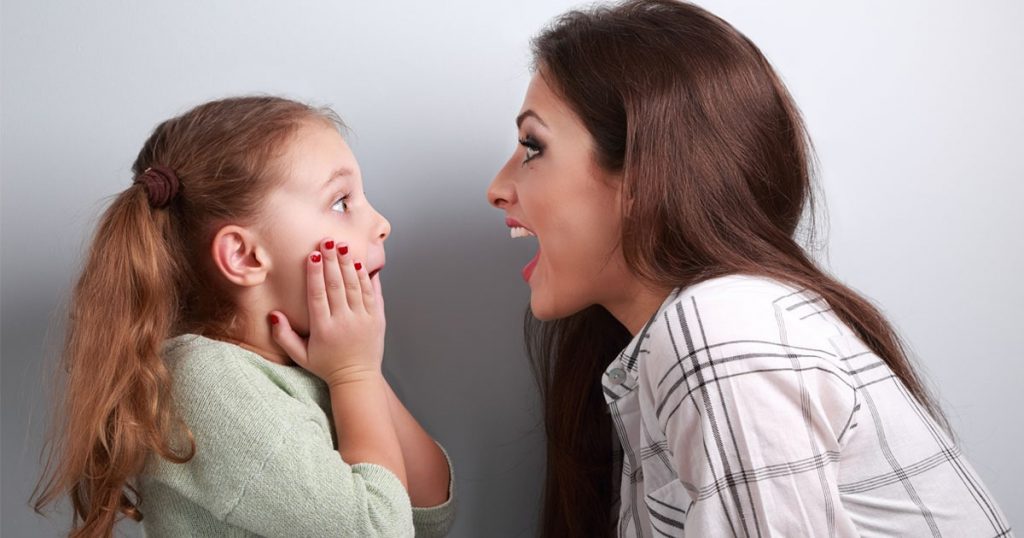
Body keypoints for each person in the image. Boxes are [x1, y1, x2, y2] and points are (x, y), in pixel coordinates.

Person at [487, 1, 1011, 536]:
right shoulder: (690, 336)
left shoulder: (721, 329)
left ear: (645, 175)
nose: (498, 190)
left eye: (532, 147)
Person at [33, 96, 455, 537]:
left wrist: (357, 369)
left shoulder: (311, 365)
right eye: (341, 203)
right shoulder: (207, 383)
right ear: (244, 256)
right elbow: (382, 529)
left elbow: (429, 511)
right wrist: (355, 374)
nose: (382, 223)